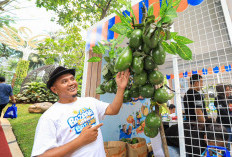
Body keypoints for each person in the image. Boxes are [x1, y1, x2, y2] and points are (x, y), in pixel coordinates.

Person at [31, 66, 130, 157]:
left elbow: (113, 110)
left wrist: (120, 89)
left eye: (72, 79)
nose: (71, 83)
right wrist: (81, 140)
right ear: (54, 89)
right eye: (64, 81)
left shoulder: (89, 102)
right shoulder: (49, 117)